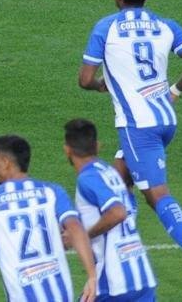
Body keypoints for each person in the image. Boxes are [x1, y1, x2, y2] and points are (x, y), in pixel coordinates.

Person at [79, 0, 182, 300]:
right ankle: (121, 253)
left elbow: (84, 79)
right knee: (116, 181)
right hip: (164, 118)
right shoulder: (165, 25)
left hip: (137, 126)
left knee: (157, 195)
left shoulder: (105, 28)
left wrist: (102, 87)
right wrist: (174, 92)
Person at [0, 134, 97, 302]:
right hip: (61, 295)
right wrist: (91, 276)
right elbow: (75, 228)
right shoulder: (52, 192)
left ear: (6, 162)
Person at [64, 118, 158, 302]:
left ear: (67, 149)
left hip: (113, 282)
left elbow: (118, 212)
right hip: (141, 274)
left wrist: (83, 235)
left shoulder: (88, 178)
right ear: (97, 146)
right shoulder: (110, 173)